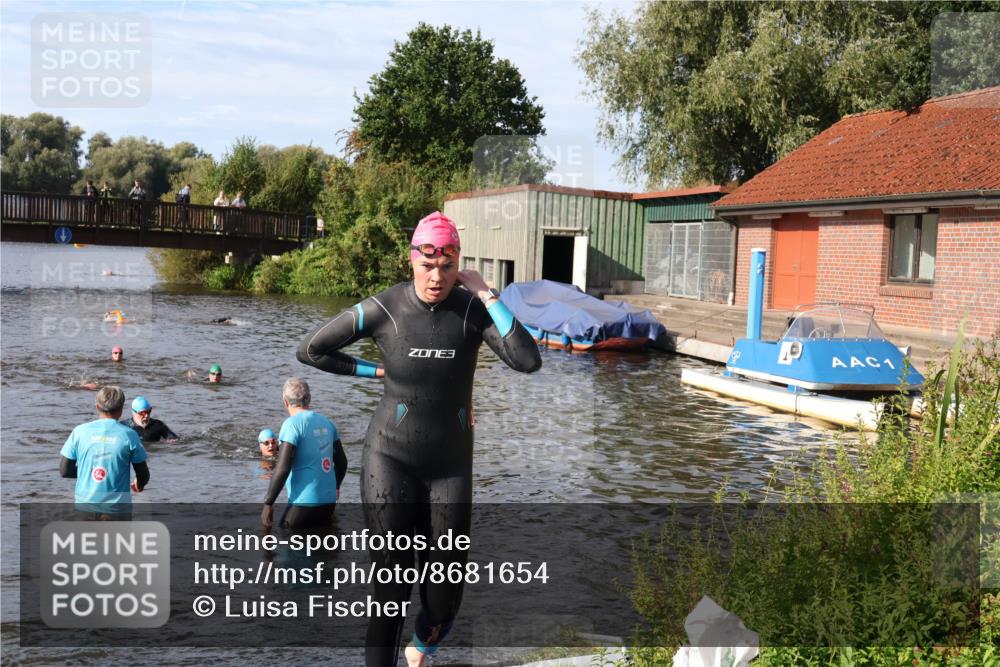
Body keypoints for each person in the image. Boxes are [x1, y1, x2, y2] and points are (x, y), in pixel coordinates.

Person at [295, 210, 541, 666]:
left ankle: (421, 649)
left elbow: (527, 361)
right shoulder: (384, 308)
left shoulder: (471, 310)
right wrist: (374, 370)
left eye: (447, 267)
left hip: (450, 465)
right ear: (412, 260)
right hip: (390, 457)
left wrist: (487, 293)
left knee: (445, 599)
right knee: (391, 583)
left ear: (458, 265)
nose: (436, 277)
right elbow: (311, 350)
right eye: (427, 266)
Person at [261, 378, 346, 529]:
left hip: (304, 502)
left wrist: (268, 503)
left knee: (285, 541)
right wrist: (336, 487)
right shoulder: (328, 423)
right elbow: (342, 462)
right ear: (309, 399)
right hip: (329, 502)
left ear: (285, 401)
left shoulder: (292, 425)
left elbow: (283, 468)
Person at [59, 386, 150, 517]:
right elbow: (143, 475)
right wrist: (139, 485)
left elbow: (64, 471)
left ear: (97, 407)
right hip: (117, 511)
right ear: (121, 410)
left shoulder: (79, 431)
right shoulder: (130, 435)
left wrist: (89, 473)